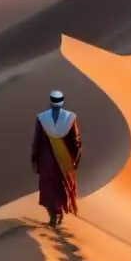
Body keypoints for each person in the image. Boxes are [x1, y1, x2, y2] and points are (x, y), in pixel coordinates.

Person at [31, 89, 82, 227]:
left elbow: (37, 140)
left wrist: (34, 158)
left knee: (48, 187)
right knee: (62, 186)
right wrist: (76, 158)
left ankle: (54, 215)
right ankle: (58, 214)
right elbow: (75, 141)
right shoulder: (70, 118)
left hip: (47, 160)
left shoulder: (42, 118)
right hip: (64, 159)